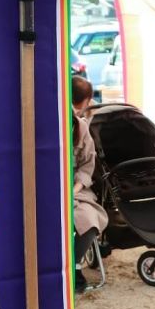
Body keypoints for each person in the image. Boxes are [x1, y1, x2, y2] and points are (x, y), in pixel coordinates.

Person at [70, 76, 108, 292]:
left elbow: (87, 164)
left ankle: (74, 267)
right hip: (46, 192)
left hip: (77, 190)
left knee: (90, 220)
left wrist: (75, 188)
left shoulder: (81, 127)